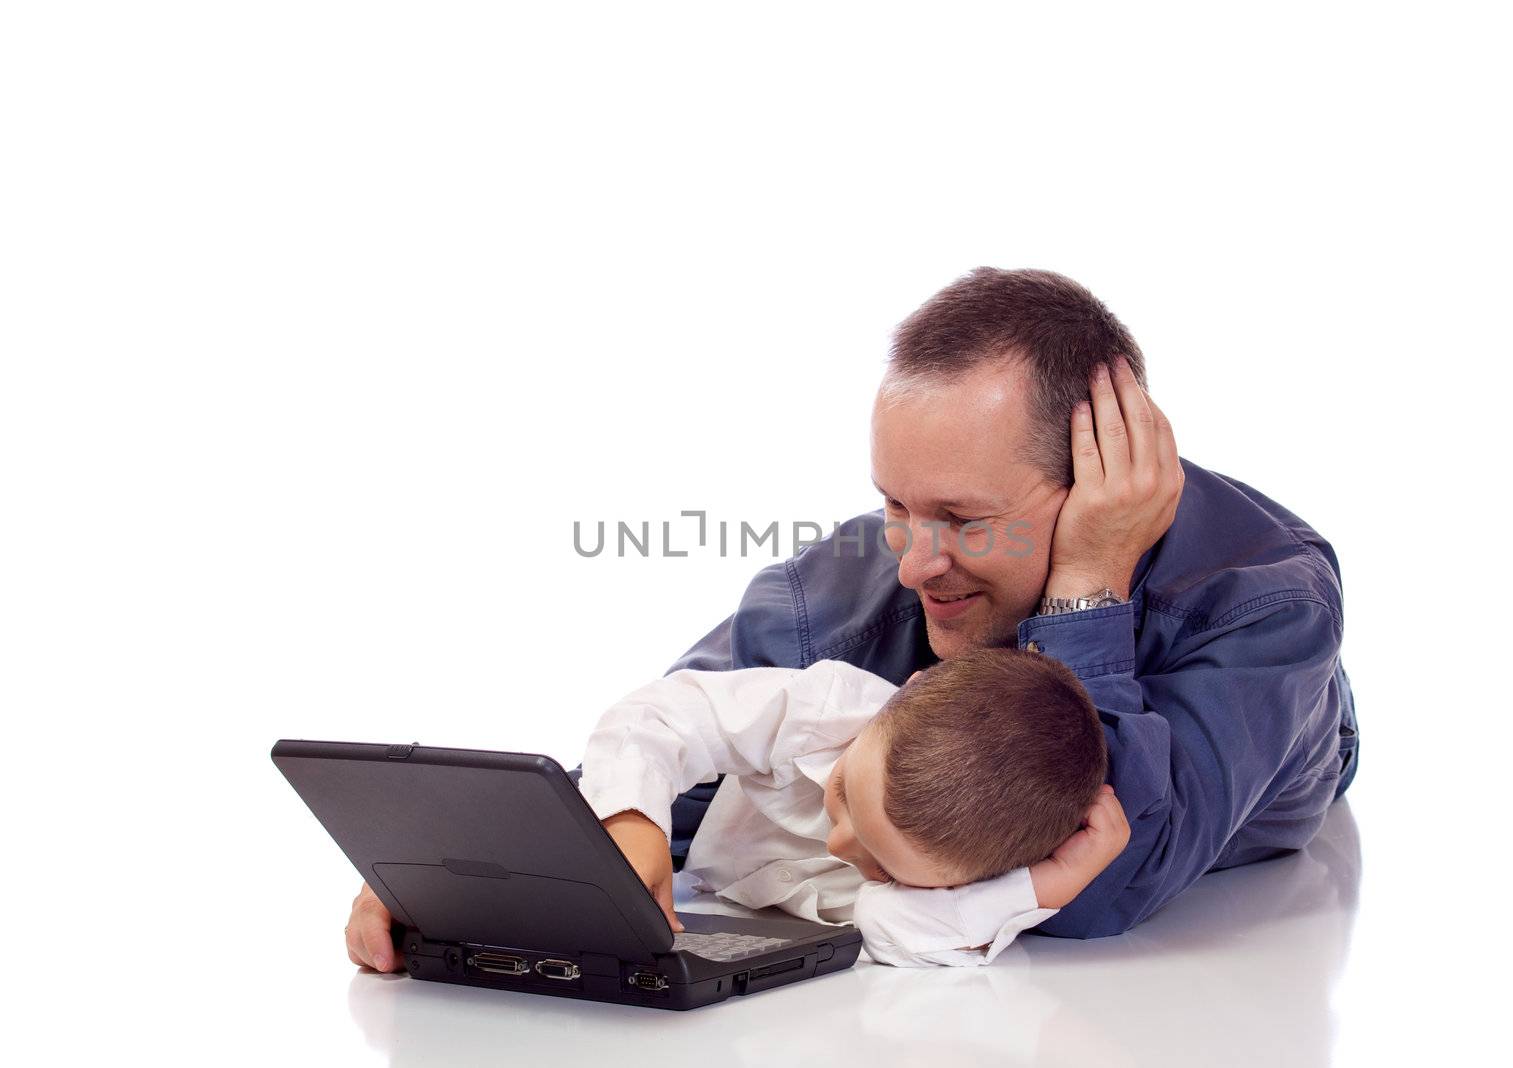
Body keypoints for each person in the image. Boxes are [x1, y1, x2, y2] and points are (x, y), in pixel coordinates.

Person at [344, 267, 1359, 970]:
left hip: (1289, 776)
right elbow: (679, 757)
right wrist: (505, 881)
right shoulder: (836, 603)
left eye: (961, 519)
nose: (914, 563)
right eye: (895, 504)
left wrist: (1087, 586)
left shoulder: (1266, 601)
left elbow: (1102, 890)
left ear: (1097, 480)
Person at [579, 647, 1128, 967]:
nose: (840, 846)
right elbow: (672, 712)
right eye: (842, 792)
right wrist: (631, 817)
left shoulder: (976, 861)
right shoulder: (829, 707)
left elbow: (890, 929)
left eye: (884, 868)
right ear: (898, 696)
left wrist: (1052, 882)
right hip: (688, 869)